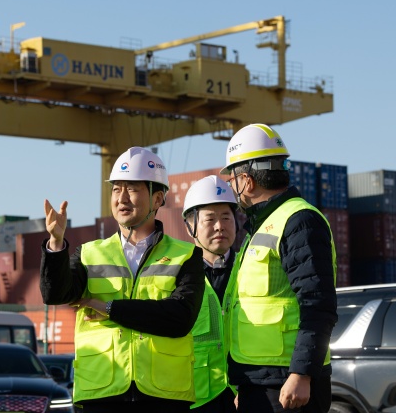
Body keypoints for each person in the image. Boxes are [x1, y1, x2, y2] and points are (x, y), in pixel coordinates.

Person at [40, 146, 205, 413]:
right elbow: (56, 295)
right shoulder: (89, 253)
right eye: (117, 189)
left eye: (133, 189)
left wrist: (109, 308)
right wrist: (56, 243)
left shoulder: (186, 255)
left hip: (163, 396)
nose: (122, 198)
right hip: (102, 392)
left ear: (157, 199)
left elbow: (179, 318)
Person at [220, 124, 337, 412]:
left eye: (233, 178)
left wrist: (302, 373)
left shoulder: (299, 221)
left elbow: (318, 304)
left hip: (287, 382)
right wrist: (241, 384)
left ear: (246, 181)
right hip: (259, 381)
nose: (232, 187)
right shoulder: (260, 227)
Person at [182, 176, 238, 413]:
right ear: (190, 226)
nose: (219, 226)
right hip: (197, 398)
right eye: (210, 219)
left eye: (226, 217)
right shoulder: (178, 275)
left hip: (245, 392)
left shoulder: (252, 266)